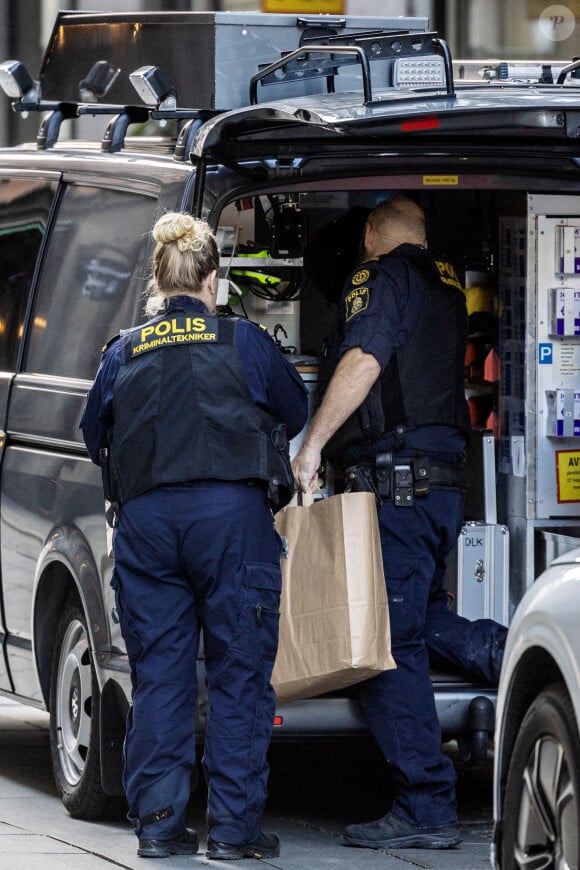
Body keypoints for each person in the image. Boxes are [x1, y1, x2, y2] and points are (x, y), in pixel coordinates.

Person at [81, 212, 308, 860]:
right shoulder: (245, 342)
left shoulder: (124, 348)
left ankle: (158, 827)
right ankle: (233, 835)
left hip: (148, 529)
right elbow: (295, 410)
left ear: (158, 279)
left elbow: (95, 436)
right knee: (238, 677)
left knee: (162, 678)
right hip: (232, 526)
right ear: (214, 279)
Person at [292, 195, 507, 851]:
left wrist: (313, 445)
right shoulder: (445, 283)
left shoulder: (377, 277)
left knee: (385, 645)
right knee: (416, 617)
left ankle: (426, 804)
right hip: (438, 492)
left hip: (398, 490)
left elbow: (364, 360)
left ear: (370, 235)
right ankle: (515, 651)